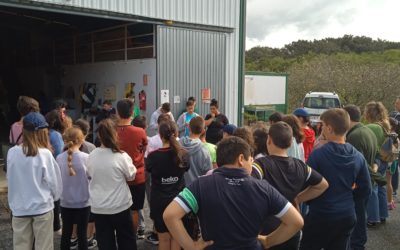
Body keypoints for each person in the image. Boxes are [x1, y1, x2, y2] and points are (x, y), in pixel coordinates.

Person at [163, 136, 304, 250]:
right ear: (241, 159)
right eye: (251, 160)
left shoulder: (201, 184)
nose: (252, 163)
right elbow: (296, 221)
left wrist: (191, 246)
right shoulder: (263, 188)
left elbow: (170, 215)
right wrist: (268, 241)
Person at [300, 108, 372, 250]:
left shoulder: (318, 155)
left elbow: (306, 183)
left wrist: (306, 200)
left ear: (329, 128)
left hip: (320, 215)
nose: (320, 128)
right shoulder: (357, 156)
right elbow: (366, 189)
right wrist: (349, 198)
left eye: (322, 125)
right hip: (346, 215)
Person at [253, 121, 328, 250]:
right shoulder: (301, 166)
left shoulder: (260, 165)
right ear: (289, 143)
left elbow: (246, 183)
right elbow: (322, 185)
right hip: (292, 231)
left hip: (266, 229)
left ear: (269, 140)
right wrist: (298, 198)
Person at [7, 111, 62, 250]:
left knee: (21, 247)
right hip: (42, 207)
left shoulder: (12, 152)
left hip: (19, 208)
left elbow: (10, 178)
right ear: (42, 132)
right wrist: (54, 198)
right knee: (44, 247)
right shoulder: (45, 154)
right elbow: (54, 183)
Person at [87, 119, 137, 250]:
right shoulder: (121, 156)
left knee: (105, 243)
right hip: (120, 205)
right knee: (127, 241)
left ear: (99, 136)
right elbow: (131, 176)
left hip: (99, 207)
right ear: (115, 134)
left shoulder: (91, 155)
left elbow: (90, 174)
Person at [146, 120, 188, 250]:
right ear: (176, 133)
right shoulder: (183, 154)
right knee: (176, 237)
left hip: (159, 200)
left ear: (160, 135)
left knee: (163, 239)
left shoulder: (153, 156)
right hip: (178, 201)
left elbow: (149, 170)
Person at [343, 104, 379, 250]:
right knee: (361, 215)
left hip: (358, 184)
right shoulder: (368, 131)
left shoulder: (354, 136)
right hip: (367, 181)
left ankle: (357, 245)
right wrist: (375, 170)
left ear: (347, 118)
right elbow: (376, 156)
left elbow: (358, 164)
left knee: (358, 218)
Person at [116, 99, 148, 244]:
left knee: (118, 209)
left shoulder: (112, 131)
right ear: (132, 112)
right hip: (137, 175)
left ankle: (119, 236)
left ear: (117, 112)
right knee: (135, 210)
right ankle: (132, 237)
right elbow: (144, 148)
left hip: (117, 176)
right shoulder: (140, 131)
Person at [57, 127, 90, 250]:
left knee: (66, 233)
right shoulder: (87, 158)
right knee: (82, 235)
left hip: (65, 202)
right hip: (84, 202)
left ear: (66, 140)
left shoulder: (59, 158)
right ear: (82, 140)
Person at [364, 101, 391, 226]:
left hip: (375, 160)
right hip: (384, 159)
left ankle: (373, 219)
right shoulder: (384, 124)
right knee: (381, 187)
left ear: (369, 113)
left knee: (373, 188)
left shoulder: (372, 127)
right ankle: (382, 215)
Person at [72, 119, 97, 249]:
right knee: (89, 215)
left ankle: (73, 237)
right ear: (86, 133)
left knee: (72, 215)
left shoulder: (66, 147)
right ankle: (88, 237)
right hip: (87, 188)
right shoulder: (90, 147)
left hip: (70, 189)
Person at [45, 109, 65, 234]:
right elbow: (59, 154)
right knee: (56, 195)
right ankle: (56, 225)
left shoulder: (47, 132)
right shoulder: (55, 135)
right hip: (53, 169)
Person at [179, 116, 213, 186]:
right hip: (197, 190)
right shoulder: (204, 151)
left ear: (189, 127)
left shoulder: (178, 145)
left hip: (180, 191)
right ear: (203, 131)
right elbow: (209, 175)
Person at [389, 96, 400, 200]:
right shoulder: (394, 114)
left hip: (396, 144)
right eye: (396, 103)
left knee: (395, 167)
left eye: (398, 103)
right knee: (395, 167)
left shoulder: (396, 116)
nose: (396, 105)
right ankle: (394, 191)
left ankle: (394, 191)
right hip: (395, 144)